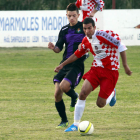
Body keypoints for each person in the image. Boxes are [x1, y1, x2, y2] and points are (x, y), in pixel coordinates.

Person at [54, 17, 132, 132]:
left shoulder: (103, 36)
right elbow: (77, 54)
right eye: (85, 29)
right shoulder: (86, 40)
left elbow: (120, 46)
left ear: (94, 27)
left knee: (100, 104)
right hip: (96, 69)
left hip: (110, 71)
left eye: (89, 28)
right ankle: (75, 124)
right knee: (82, 93)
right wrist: (62, 65)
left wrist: (125, 65)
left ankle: (112, 92)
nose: (87, 31)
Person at [48, 3, 88, 128]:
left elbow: (91, 42)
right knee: (57, 93)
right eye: (69, 16)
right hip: (64, 64)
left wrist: (85, 48)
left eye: (74, 15)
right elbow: (58, 49)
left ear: (78, 15)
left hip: (77, 64)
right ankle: (64, 121)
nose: (72, 18)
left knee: (64, 86)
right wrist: (53, 48)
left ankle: (74, 96)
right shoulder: (64, 30)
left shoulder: (84, 28)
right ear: (66, 15)